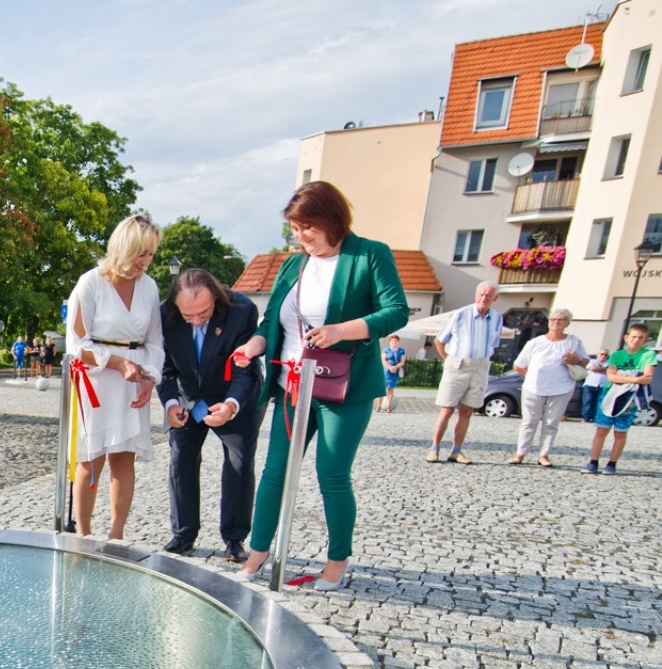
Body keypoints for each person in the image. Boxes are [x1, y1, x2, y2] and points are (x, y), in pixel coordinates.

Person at [234, 181, 409, 589]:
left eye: (307, 227)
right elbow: (271, 321)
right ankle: (257, 553)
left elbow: (396, 310)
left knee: (331, 473)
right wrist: (252, 346)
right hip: (293, 384)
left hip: (343, 388)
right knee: (275, 471)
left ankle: (336, 561)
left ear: (331, 219)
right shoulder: (292, 265)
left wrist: (342, 330)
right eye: (295, 229)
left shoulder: (369, 255)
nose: (301, 237)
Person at [64, 212, 164, 541]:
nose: (147, 261)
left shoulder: (149, 287)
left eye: (151, 253)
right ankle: (84, 535)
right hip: (97, 378)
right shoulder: (91, 282)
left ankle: (117, 536)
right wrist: (117, 362)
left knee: (124, 457)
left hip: (133, 380)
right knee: (91, 459)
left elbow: (155, 342)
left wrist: (151, 377)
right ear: (123, 247)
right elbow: (76, 344)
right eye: (142, 253)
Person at [158, 269, 261, 559]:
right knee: (180, 459)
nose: (197, 321)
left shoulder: (242, 311)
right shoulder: (163, 315)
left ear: (215, 296)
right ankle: (183, 534)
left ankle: (234, 538)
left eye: (203, 312)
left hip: (233, 396)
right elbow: (164, 368)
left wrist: (230, 405)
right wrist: (170, 404)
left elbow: (245, 371)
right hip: (188, 397)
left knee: (239, 464)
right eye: (188, 316)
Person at [427, 282, 503, 464]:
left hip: (481, 365)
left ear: (495, 298)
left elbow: (493, 344)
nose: (484, 298)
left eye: (488, 295)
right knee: (447, 408)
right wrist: (449, 361)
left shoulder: (498, 318)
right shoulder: (461, 314)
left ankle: (456, 450)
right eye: (482, 294)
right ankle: (434, 448)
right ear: (476, 295)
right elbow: (440, 340)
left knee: (468, 410)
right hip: (458, 363)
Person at [507, 309, 586, 466]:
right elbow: (518, 365)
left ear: (567, 323)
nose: (556, 322)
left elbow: (585, 362)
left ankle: (544, 454)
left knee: (551, 423)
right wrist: (531, 377)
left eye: (561, 319)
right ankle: (520, 453)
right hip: (534, 387)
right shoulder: (535, 342)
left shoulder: (573, 342)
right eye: (553, 319)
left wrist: (576, 359)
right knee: (529, 422)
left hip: (561, 388)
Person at [584, 323, 656, 475]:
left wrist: (623, 377)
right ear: (627, 337)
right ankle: (593, 462)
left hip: (630, 397)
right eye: (634, 336)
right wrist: (635, 379)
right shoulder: (617, 355)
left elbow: (647, 376)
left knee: (621, 432)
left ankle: (612, 463)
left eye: (640, 338)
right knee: (601, 430)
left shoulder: (648, 355)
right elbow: (611, 376)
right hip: (610, 394)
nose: (636, 340)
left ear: (645, 339)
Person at [579, 347, 610, 423]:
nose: (603, 356)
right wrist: (604, 369)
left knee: (600, 403)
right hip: (590, 384)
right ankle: (586, 418)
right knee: (588, 401)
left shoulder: (609, 363)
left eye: (606, 355)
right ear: (597, 355)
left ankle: (596, 418)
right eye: (602, 354)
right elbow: (592, 368)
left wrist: (599, 369)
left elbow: (610, 372)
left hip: (603, 385)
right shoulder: (592, 361)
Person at [378, 334, 406, 413]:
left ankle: (388, 406)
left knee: (391, 389)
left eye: (396, 341)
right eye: (393, 341)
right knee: (382, 388)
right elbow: (383, 360)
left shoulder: (401, 350)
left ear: (398, 342)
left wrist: (396, 367)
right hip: (386, 371)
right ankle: (379, 405)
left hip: (394, 372)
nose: (394, 343)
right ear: (390, 342)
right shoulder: (386, 350)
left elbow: (402, 361)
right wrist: (390, 367)